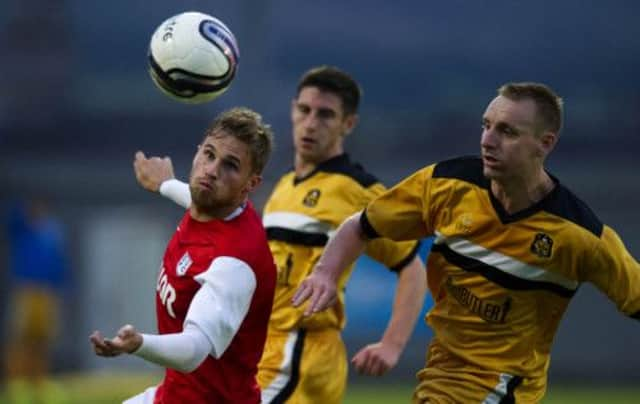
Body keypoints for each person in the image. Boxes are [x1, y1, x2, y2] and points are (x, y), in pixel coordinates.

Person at [292, 82, 640, 403]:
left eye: (507, 132)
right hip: (439, 379)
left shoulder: (579, 234)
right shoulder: (446, 185)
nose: (488, 140)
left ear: (545, 143)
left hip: (501, 390)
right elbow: (361, 225)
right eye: (486, 125)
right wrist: (325, 272)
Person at [134, 65, 427, 403]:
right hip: (266, 348)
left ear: (348, 124)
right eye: (304, 110)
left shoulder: (358, 190)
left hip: (302, 352)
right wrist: (167, 185)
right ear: (292, 110)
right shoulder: (284, 185)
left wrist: (392, 344)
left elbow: (411, 266)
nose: (311, 123)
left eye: (326, 115)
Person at [89, 107, 277, 404]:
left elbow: (193, 351)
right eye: (209, 154)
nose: (212, 170)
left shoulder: (234, 263)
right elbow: (197, 198)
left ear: (250, 185)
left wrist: (138, 344)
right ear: (197, 152)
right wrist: (164, 184)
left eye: (230, 165)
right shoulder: (219, 208)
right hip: (176, 395)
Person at [3, 199, 71, 404]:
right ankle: (15, 384)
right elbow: (9, 223)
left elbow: (59, 262)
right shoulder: (22, 228)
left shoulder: (52, 232)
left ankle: (40, 384)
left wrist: (62, 288)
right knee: (20, 340)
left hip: (48, 293)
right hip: (25, 289)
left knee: (43, 341)